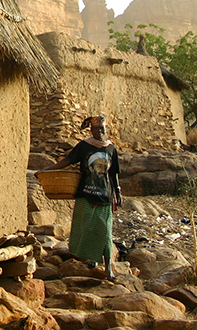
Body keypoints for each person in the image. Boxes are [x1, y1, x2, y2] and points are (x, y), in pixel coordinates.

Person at [41, 115, 122, 280]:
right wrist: (47, 170)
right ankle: (92, 259)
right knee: (86, 228)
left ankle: (108, 268)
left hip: (105, 196)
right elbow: (68, 161)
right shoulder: (84, 146)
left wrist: (118, 193)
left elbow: (113, 174)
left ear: (107, 129)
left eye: (102, 128)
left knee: (105, 231)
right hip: (85, 193)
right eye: (96, 129)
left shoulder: (111, 149)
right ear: (91, 130)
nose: (100, 131)